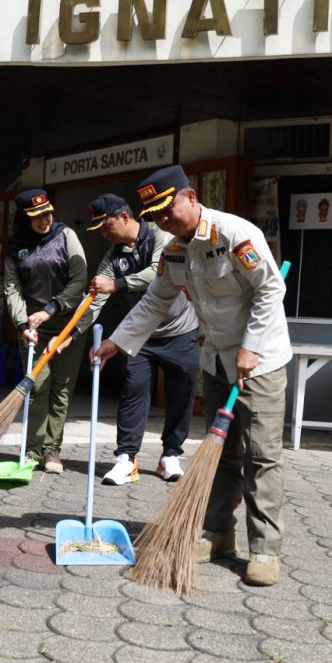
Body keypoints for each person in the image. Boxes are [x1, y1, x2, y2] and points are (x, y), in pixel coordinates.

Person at [92, 166, 291, 587]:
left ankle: (265, 550)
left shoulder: (235, 234)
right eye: (156, 216)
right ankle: (219, 536)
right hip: (217, 360)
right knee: (220, 455)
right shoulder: (173, 251)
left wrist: (252, 346)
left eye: (168, 210)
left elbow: (271, 290)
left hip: (261, 362)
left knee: (260, 455)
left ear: (191, 196)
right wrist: (117, 341)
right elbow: (155, 300)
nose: (164, 221)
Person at [84, 193, 199, 485]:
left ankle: (170, 455)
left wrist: (117, 285)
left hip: (180, 330)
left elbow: (158, 273)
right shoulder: (113, 256)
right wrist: (71, 335)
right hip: (141, 335)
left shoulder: (161, 236)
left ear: (125, 217)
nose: (103, 232)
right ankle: (126, 458)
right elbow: (96, 297)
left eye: (106, 225)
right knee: (133, 390)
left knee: (181, 393)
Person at [3, 188, 90, 474]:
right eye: (37, 216)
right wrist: (21, 324)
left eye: (48, 213)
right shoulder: (15, 246)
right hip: (34, 328)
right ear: (25, 217)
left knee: (62, 388)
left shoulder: (66, 236)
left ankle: (52, 450)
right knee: (38, 387)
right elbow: (13, 290)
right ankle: (32, 449)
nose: (45, 220)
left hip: (68, 325)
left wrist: (52, 308)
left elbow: (79, 281)